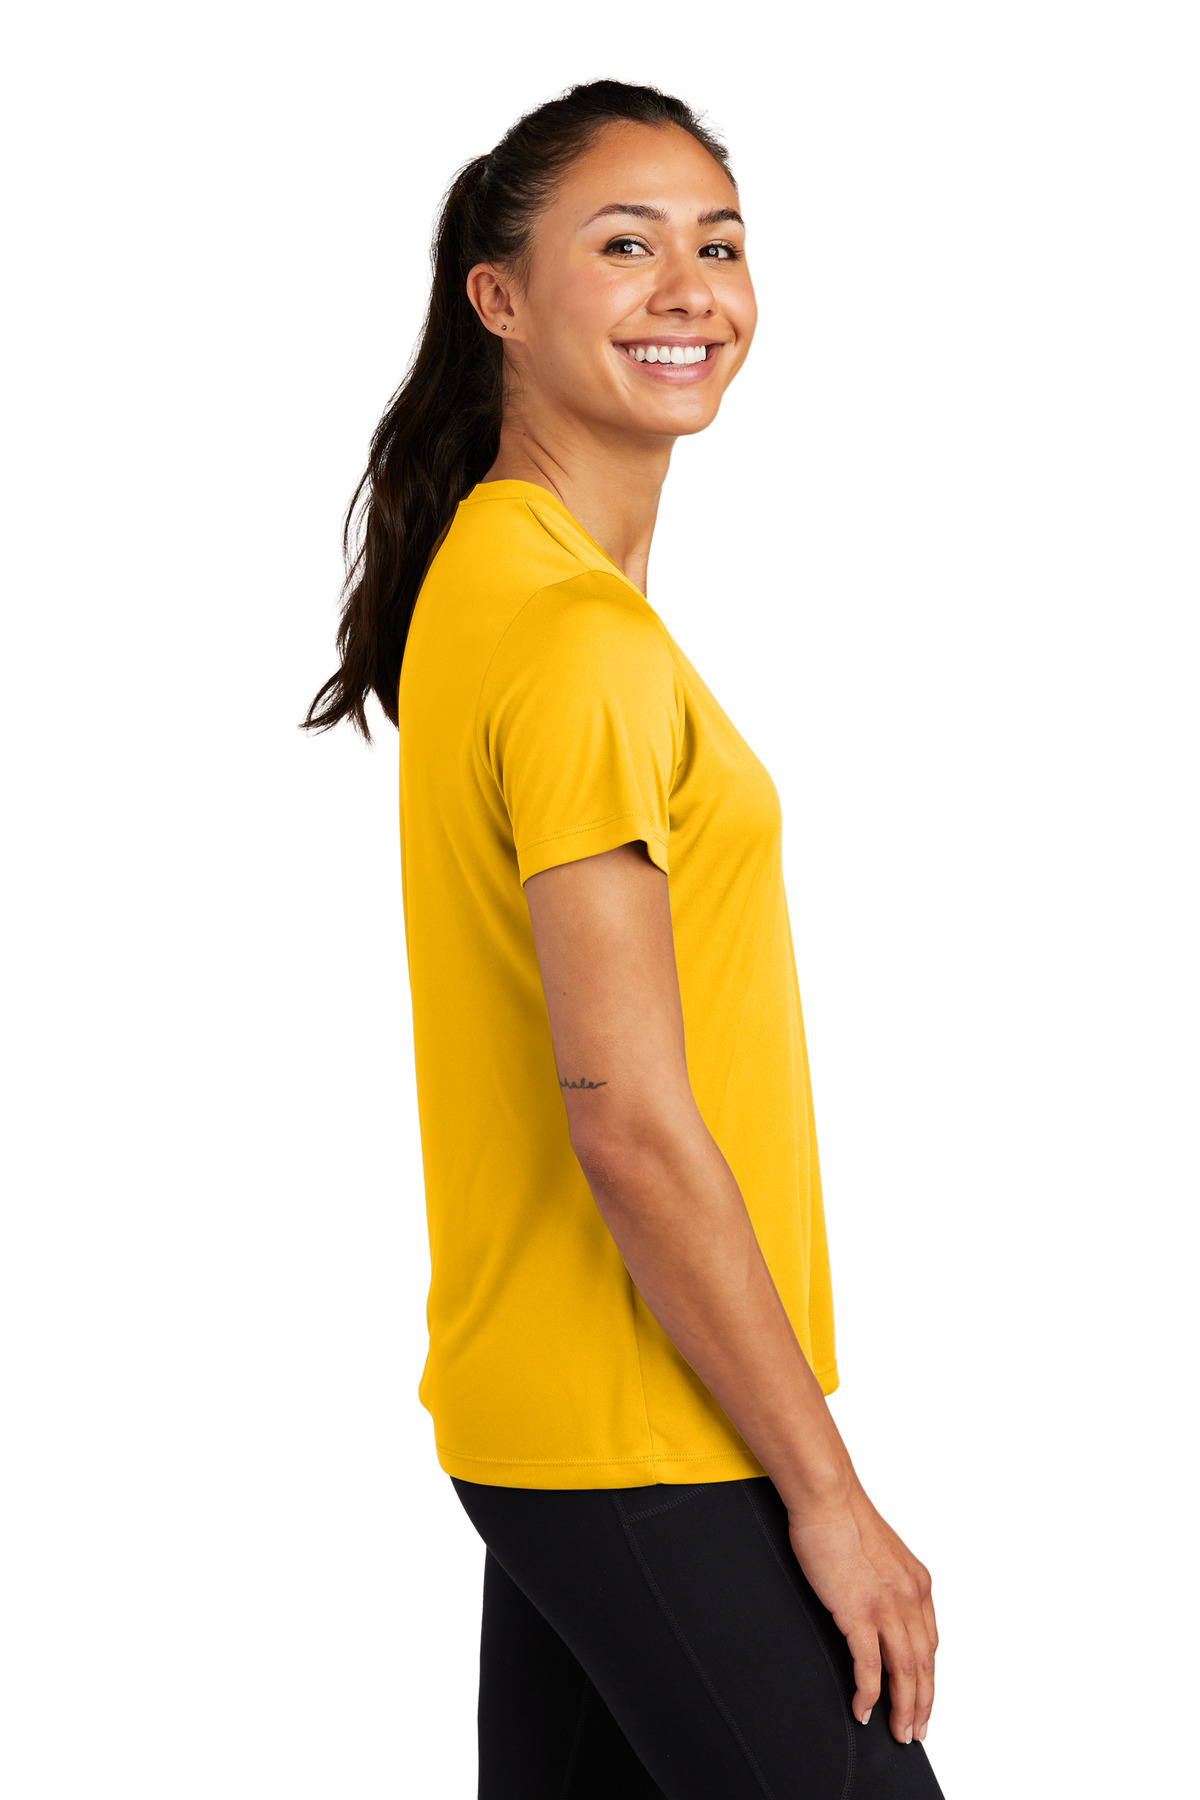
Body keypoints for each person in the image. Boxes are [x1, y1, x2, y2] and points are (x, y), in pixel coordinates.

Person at [305, 78, 945, 1800]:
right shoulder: (574, 638)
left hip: (561, 1413)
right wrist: (829, 1495)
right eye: (625, 244)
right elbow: (630, 1122)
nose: (690, 290)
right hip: (648, 1428)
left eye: (719, 246)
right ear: (497, 298)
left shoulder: (488, 578)